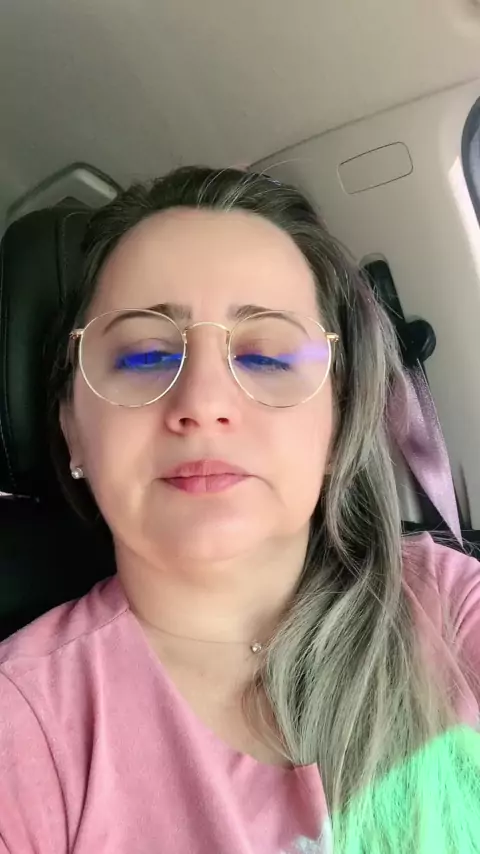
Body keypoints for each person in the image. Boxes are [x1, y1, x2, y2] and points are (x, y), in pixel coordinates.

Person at [0, 166, 479, 854]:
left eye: (267, 356)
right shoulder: (24, 730)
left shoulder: (447, 604)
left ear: (337, 422)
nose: (202, 402)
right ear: (73, 427)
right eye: (143, 355)